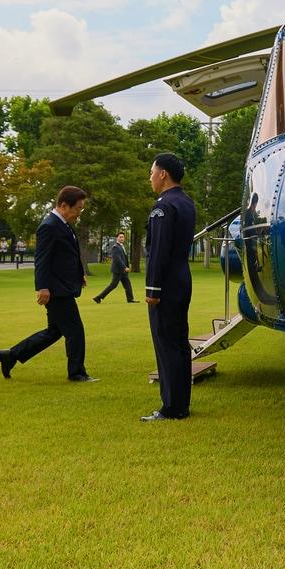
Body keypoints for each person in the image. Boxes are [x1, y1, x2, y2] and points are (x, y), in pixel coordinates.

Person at [0, 186, 96, 382]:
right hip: (57, 290)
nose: (79, 213)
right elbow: (42, 260)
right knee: (75, 331)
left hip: (63, 286)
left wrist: (79, 274)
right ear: (64, 205)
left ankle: (11, 355)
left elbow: (67, 255)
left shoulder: (64, 224)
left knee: (53, 332)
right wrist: (42, 287)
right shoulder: (49, 226)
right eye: (78, 208)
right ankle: (76, 373)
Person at [140, 154, 197, 422]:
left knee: (166, 343)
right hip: (181, 279)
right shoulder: (186, 202)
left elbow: (158, 251)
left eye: (152, 172)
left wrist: (152, 289)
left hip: (165, 284)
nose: (149, 177)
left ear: (163, 174)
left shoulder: (163, 206)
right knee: (179, 344)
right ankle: (181, 403)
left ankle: (171, 407)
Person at [93, 231, 136, 303]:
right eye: (120, 237)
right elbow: (117, 259)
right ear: (117, 238)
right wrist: (124, 267)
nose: (122, 238)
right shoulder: (115, 247)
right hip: (118, 270)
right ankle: (98, 297)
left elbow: (124, 258)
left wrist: (127, 267)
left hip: (123, 271)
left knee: (128, 285)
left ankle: (130, 299)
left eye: (123, 237)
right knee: (113, 285)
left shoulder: (122, 246)